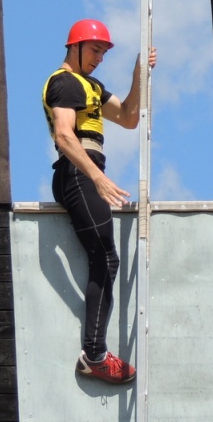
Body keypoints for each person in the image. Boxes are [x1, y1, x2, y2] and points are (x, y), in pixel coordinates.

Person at [41, 19, 156, 384]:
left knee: (105, 257)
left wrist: (140, 75)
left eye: (104, 53)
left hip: (84, 172)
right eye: (95, 50)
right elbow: (63, 135)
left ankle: (95, 352)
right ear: (74, 47)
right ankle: (94, 354)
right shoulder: (64, 83)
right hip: (77, 172)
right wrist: (97, 177)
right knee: (105, 257)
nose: (100, 58)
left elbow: (128, 117)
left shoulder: (90, 86)